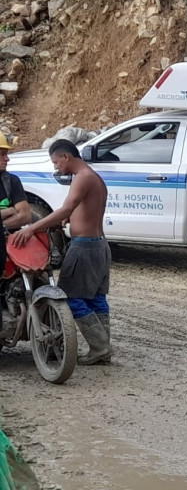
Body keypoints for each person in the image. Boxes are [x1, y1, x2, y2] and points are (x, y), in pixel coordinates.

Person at [13, 139, 113, 364]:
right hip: (99, 245)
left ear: (66, 156)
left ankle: (100, 348)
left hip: (84, 247)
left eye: (56, 161)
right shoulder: (94, 177)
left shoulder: (82, 177)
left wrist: (32, 228)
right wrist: (69, 219)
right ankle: (102, 348)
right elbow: (83, 209)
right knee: (97, 298)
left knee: (72, 298)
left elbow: (67, 208)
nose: (56, 166)